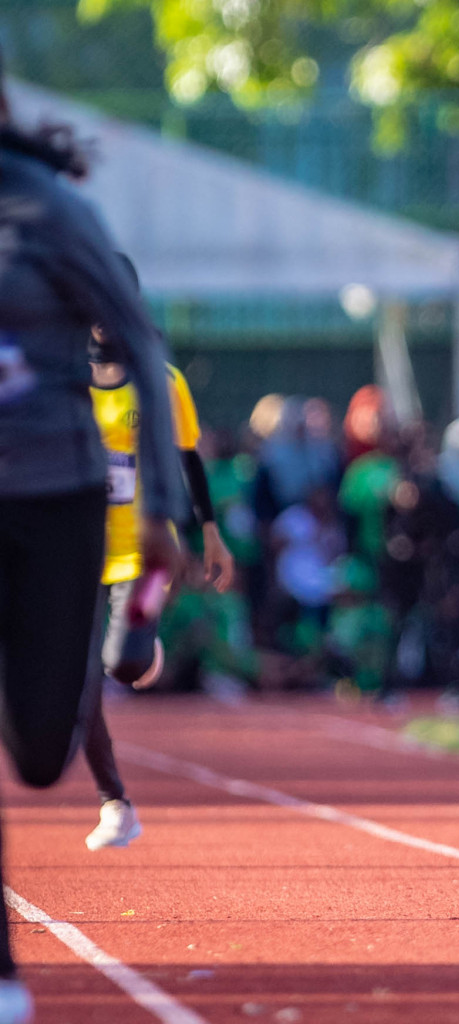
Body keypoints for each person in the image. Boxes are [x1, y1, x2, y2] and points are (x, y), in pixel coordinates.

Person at [0, 51, 184, 1023]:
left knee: (37, 751)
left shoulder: (48, 209)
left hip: (56, 496)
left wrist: (161, 508)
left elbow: (142, 351)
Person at [81, 270, 235, 851]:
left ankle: (140, 644)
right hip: (75, 551)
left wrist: (211, 533)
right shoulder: (61, 381)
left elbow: (188, 458)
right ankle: (115, 803)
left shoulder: (160, 379)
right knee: (80, 684)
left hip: (145, 556)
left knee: (122, 664)